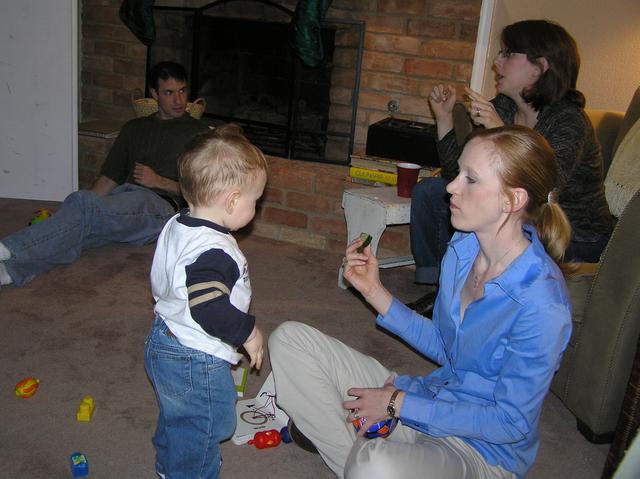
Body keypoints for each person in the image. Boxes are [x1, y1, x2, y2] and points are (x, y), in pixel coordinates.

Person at [269, 126, 573, 479]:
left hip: (481, 450)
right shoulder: (463, 248)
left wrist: (397, 404)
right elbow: (448, 349)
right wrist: (374, 291)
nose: (451, 187)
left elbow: (510, 422)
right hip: (431, 398)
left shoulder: (543, 304)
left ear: (512, 200)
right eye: (458, 172)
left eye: (470, 180)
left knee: (375, 466)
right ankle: (367, 454)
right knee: (289, 340)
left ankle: (368, 453)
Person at [409, 19, 612, 314]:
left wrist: (501, 130)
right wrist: (443, 119)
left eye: (507, 53)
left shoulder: (569, 121)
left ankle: (458, 297)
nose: (495, 61)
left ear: (539, 66)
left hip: (572, 229)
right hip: (517, 211)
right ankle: (443, 285)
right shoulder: (504, 106)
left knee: (489, 217)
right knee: (433, 192)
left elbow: (542, 192)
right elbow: (460, 179)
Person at [0, 61, 209, 287]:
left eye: (182, 91)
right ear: (154, 94)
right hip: (122, 200)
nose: (179, 100)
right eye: (169, 93)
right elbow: (109, 179)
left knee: (84, 205)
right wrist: (72, 212)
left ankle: (8, 248)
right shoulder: (134, 128)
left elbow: (204, 193)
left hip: (161, 207)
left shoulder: (198, 134)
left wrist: (159, 181)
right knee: (78, 232)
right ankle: (10, 272)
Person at [144, 124, 267, 479]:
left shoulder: (178, 224)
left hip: (163, 337)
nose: (255, 208)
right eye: (253, 201)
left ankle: (171, 463)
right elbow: (208, 307)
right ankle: (191, 469)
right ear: (231, 200)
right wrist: (249, 332)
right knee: (212, 421)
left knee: (178, 412)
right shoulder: (215, 252)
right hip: (194, 356)